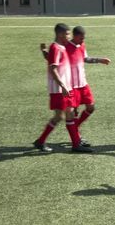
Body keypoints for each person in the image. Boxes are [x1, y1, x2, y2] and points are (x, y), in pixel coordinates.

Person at [41, 26, 111, 147]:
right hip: (71, 86)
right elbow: (53, 60)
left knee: (91, 107)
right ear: (74, 36)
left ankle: (75, 131)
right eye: (81, 38)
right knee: (71, 114)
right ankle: (76, 138)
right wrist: (44, 52)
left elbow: (85, 58)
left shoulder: (81, 45)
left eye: (84, 38)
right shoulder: (65, 46)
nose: (83, 40)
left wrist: (100, 60)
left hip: (83, 84)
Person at [33, 23, 92, 153]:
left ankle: (41, 141)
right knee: (68, 114)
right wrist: (63, 86)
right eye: (67, 34)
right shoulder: (56, 48)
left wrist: (44, 52)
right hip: (59, 89)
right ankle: (76, 144)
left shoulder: (61, 47)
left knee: (61, 116)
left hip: (64, 88)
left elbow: (52, 60)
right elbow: (52, 68)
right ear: (60, 34)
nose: (69, 36)